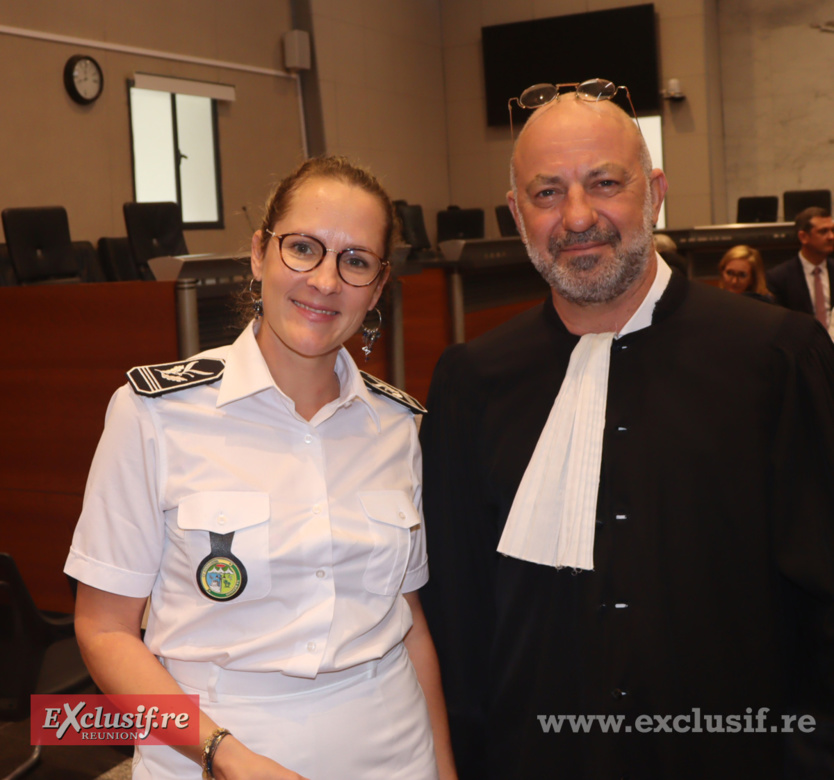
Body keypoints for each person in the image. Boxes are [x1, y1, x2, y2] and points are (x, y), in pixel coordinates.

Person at [418, 88, 834, 778]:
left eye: (605, 183)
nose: (577, 217)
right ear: (517, 213)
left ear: (656, 191)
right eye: (546, 193)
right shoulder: (473, 379)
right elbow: (458, 616)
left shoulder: (775, 356)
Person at [65, 156, 456, 780]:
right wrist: (227, 757)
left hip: (393, 754)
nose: (325, 281)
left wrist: (443, 769)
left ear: (378, 287)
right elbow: (104, 633)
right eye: (303, 248)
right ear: (259, 255)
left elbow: (408, 625)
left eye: (355, 261)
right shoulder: (153, 414)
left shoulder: (398, 425)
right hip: (212, 752)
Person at [766, 206, 834, 327]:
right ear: (803, 237)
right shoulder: (779, 277)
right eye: (823, 231)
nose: (831, 237)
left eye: (833, 230)